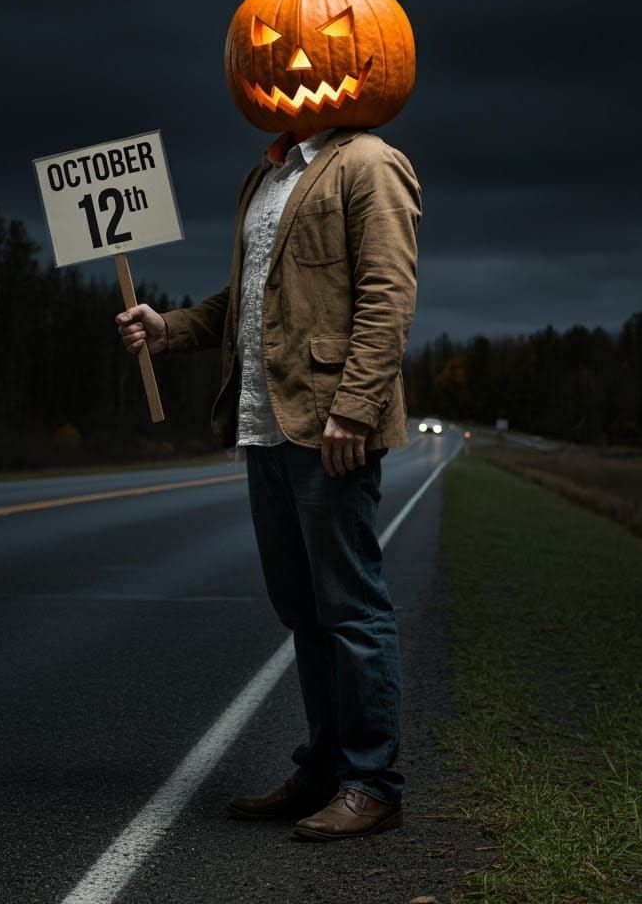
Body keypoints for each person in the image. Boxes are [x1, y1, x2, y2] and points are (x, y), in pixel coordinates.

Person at [116, 124, 420, 840]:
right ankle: (321, 772)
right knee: (303, 611)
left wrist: (355, 406)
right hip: (263, 421)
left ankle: (373, 784)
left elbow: (388, 295)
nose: (286, 61)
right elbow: (252, 297)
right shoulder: (266, 176)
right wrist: (171, 328)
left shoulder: (369, 163)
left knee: (350, 607)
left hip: (328, 424)